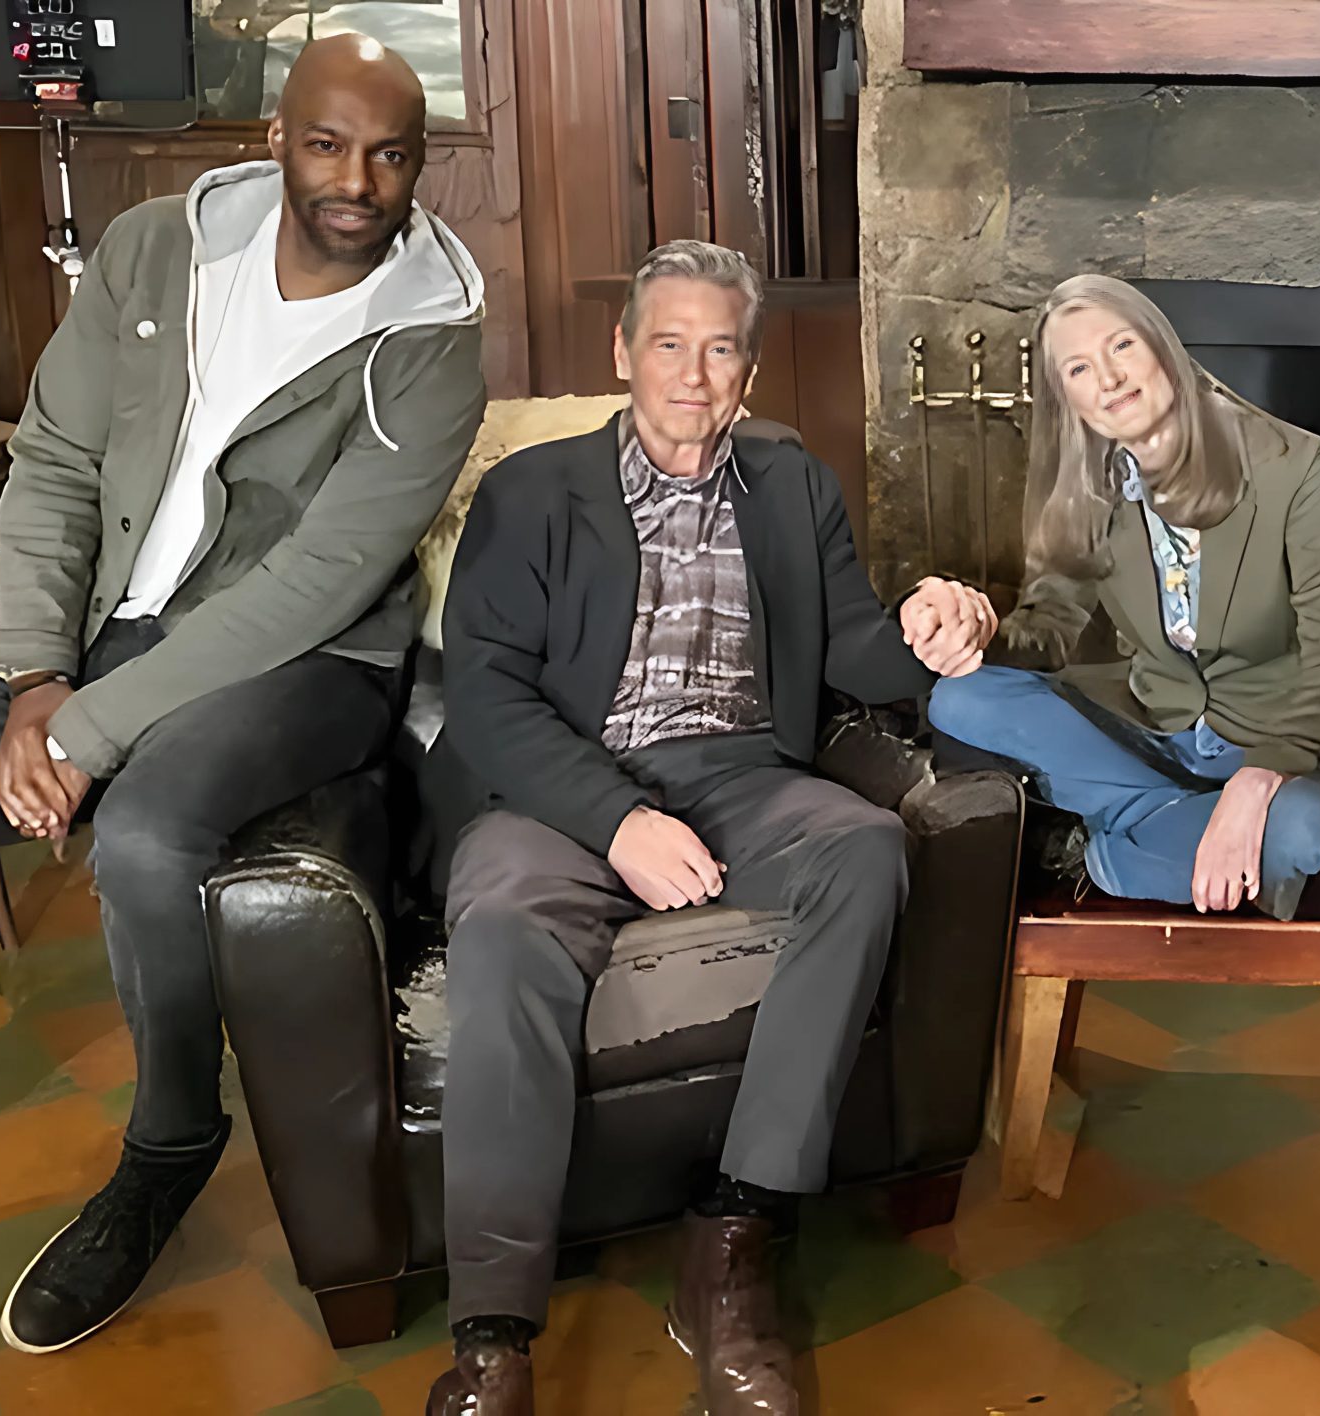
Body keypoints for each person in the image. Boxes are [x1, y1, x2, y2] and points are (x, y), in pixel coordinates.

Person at [0, 36, 485, 1354]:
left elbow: (319, 582)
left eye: (390, 156)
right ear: (275, 139)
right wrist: (36, 672)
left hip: (308, 666)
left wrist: (86, 732)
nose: (357, 180)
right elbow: (54, 459)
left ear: (418, 167)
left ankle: (168, 1145)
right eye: (327, 144)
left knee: (153, 833)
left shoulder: (435, 340)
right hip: (95, 640)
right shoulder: (154, 251)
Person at [422, 239, 997, 1416]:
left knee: (865, 849)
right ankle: (493, 1334)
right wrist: (616, 818)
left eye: (720, 349)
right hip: (556, 787)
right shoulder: (531, 494)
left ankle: (735, 1232)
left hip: (739, 772)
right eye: (669, 344)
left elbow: (853, 649)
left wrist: (934, 628)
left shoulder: (791, 485)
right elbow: (485, 695)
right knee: (506, 926)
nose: (692, 375)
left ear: (751, 368)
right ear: (622, 352)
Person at [926, 274, 1320, 920]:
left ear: (1161, 344)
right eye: (1079, 368)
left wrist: (1256, 783)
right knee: (959, 697)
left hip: (1282, 751)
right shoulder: (1090, 485)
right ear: (1067, 397)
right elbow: (1048, 628)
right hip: (1153, 736)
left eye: (1122, 345)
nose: (1108, 378)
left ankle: (1100, 852)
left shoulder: (1286, 462)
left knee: (1305, 828)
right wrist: (976, 628)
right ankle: (1186, 832)